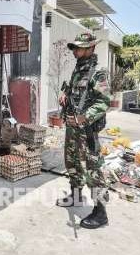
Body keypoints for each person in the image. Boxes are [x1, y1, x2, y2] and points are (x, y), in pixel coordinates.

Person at [55, 33, 111, 229]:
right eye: (75, 48)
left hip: (86, 129)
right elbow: (75, 92)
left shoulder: (98, 72)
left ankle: (100, 212)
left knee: (92, 170)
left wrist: (83, 117)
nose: (76, 51)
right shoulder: (79, 70)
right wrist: (65, 94)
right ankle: (76, 196)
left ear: (91, 48)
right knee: (72, 163)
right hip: (72, 127)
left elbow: (103, 102)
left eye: (80, 48)